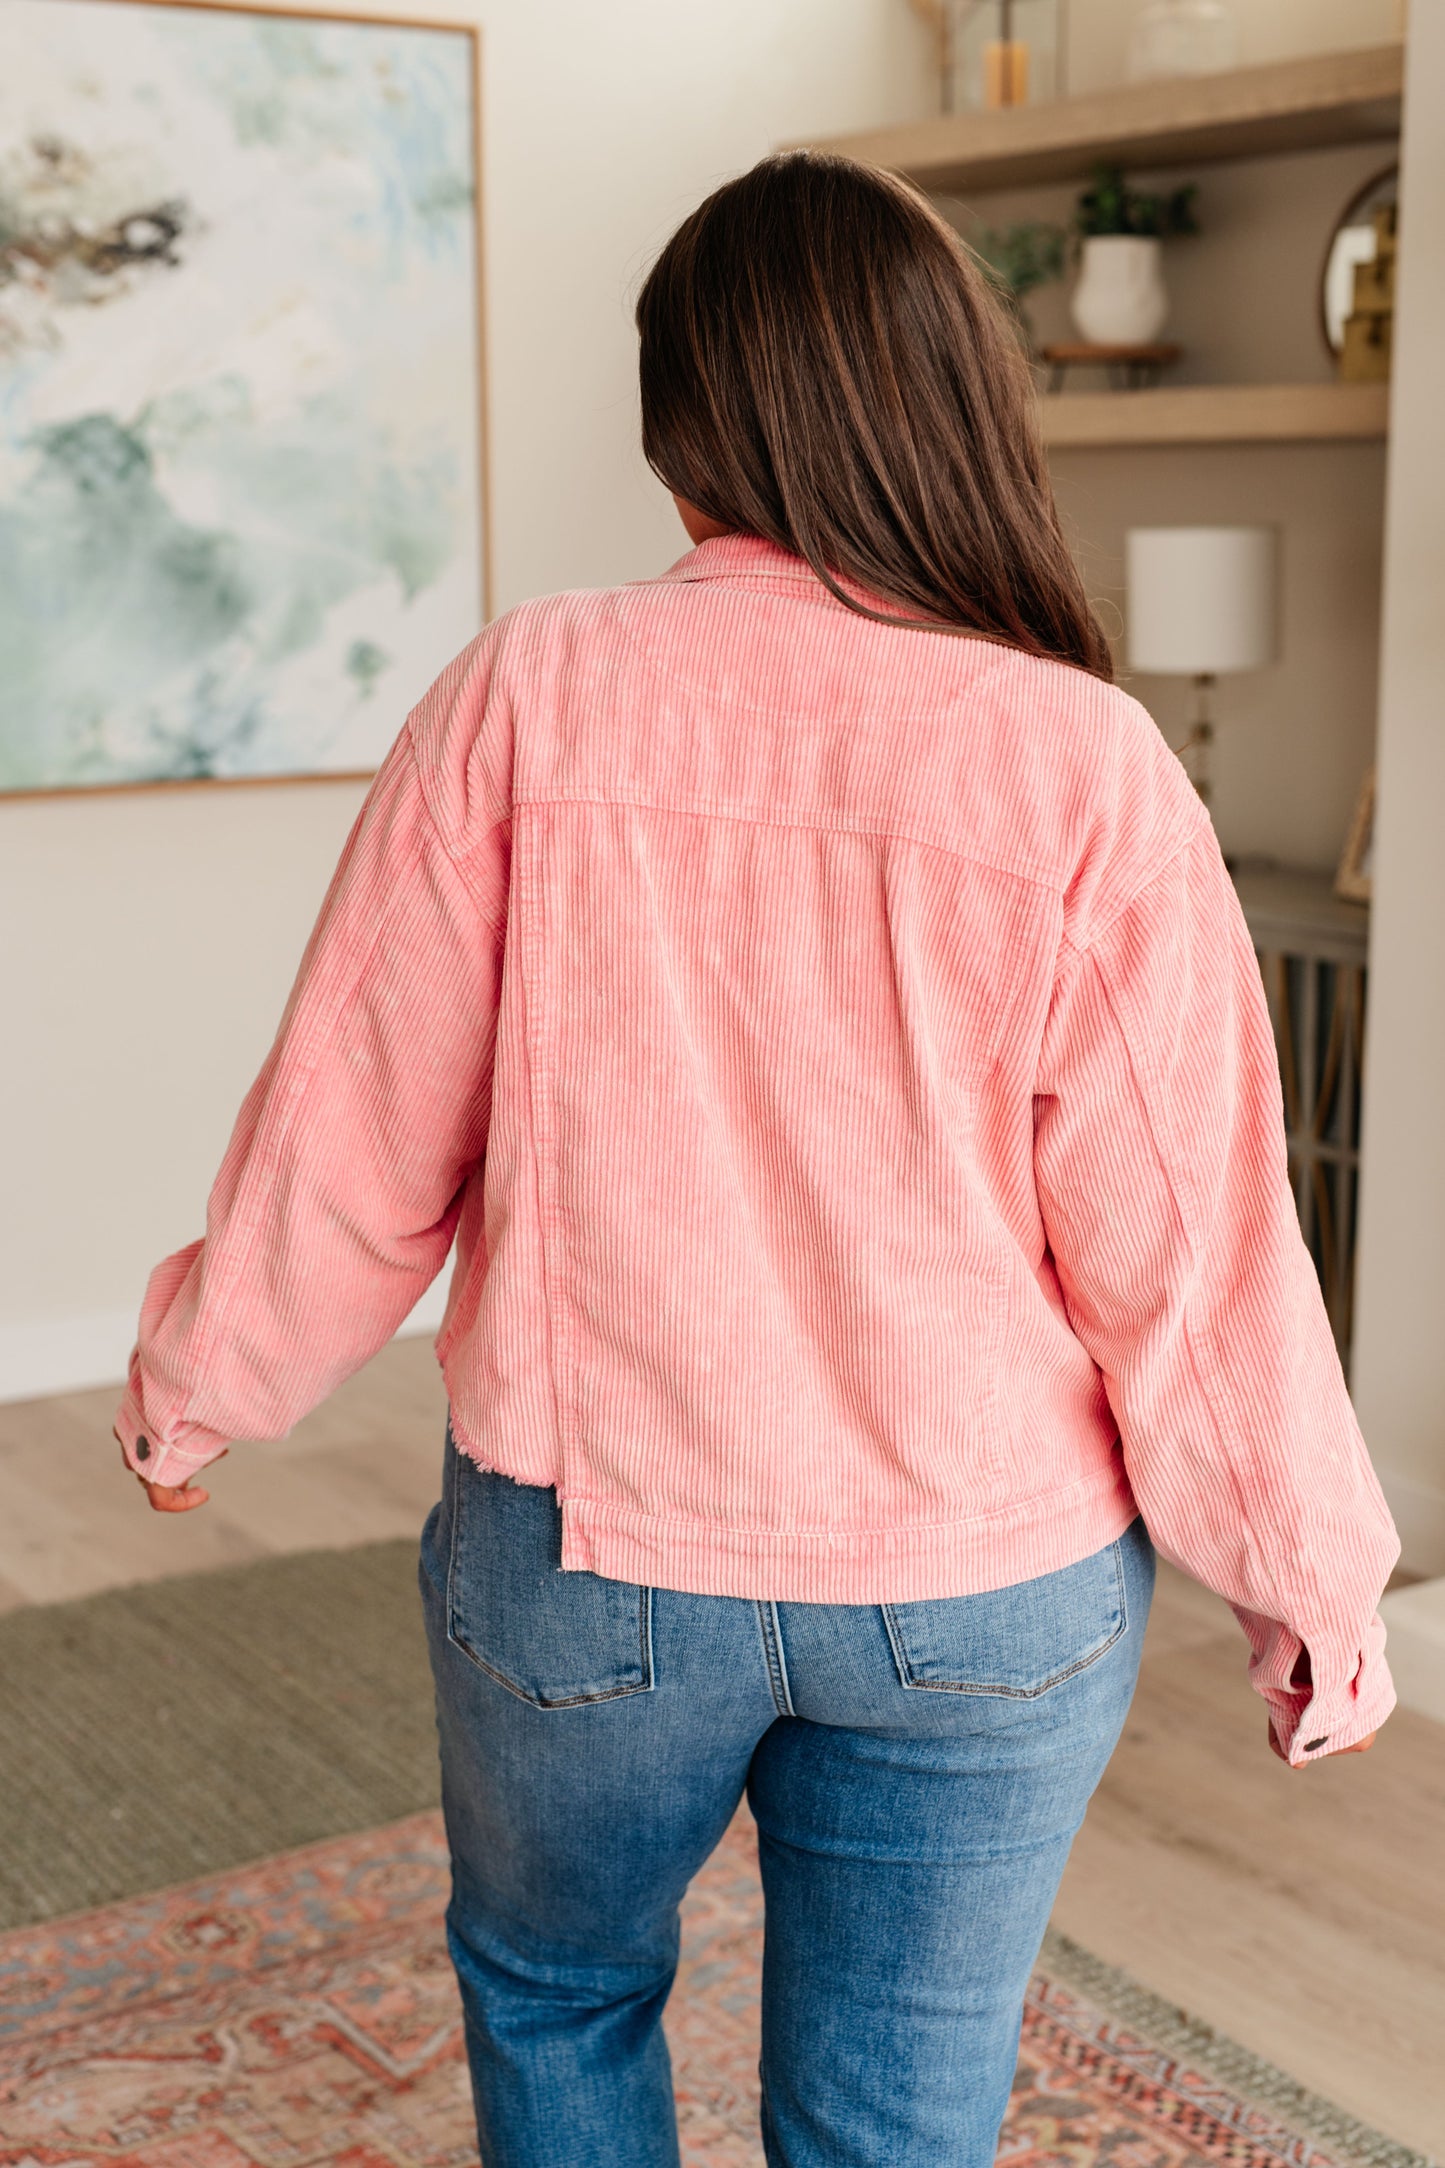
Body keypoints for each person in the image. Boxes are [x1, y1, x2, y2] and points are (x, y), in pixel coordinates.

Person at [114, 152, 1398, 2167]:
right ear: (957, 401)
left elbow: (351, 1130)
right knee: (899, 2113)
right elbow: (1195, 1249)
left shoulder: (528, 695)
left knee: (558, 1989)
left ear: (681, 421)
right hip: (989, 1585)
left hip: (592, 1560)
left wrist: (201, 1388)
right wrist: (1310, 1586)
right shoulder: (1083, 760)